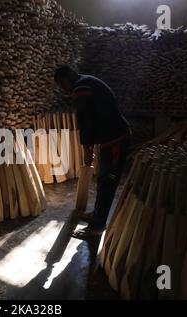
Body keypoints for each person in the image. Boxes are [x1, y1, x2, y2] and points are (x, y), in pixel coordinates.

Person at [54, 65, 131, 238]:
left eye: (62, 84)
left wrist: (87, 149)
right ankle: (97, 214)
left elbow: (85, 121)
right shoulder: (86, 82)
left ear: (71, 76)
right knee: (104, 179)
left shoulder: (81, 88)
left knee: (107, 181)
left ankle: (97, 226)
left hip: (115, 140)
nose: (64, 89)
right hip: (111, 139)